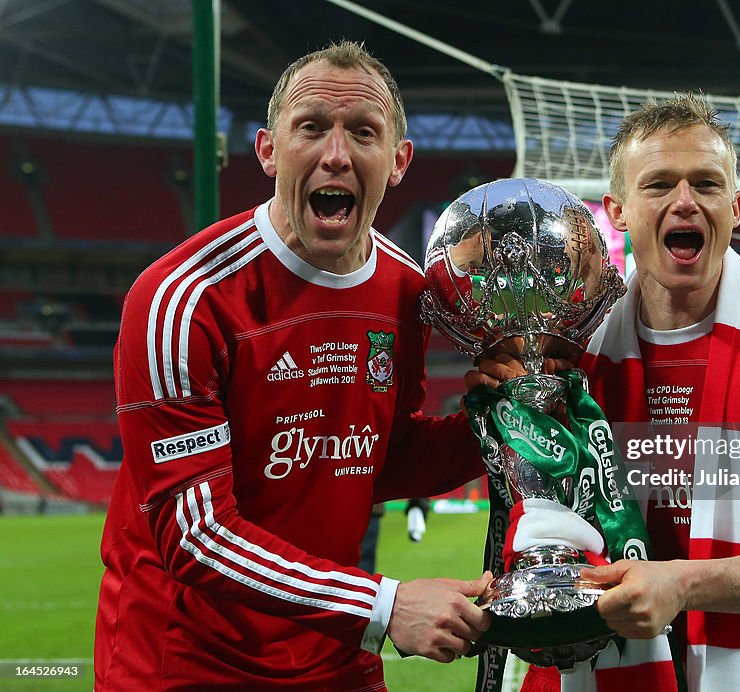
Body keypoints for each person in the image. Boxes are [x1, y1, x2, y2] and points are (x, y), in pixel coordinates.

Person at [94, 41, 490, 690]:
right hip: (185, 663)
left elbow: (379, 460)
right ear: (268, 151)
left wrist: (502, 423)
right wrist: (383, 607)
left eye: (363, 132)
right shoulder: (183, 299)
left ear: (398, 162)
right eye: (311, 127)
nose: (336, 154)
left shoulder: (405, 292)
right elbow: (195, 533)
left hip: (334, 657)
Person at [472, 93, 740, 690]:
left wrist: (680, 584)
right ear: (618, 211)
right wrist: (501, 401)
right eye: (659, 184)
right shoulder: (568, 357)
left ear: (735, 207)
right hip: (603, 655)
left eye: (706, 184)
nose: (685, 201)